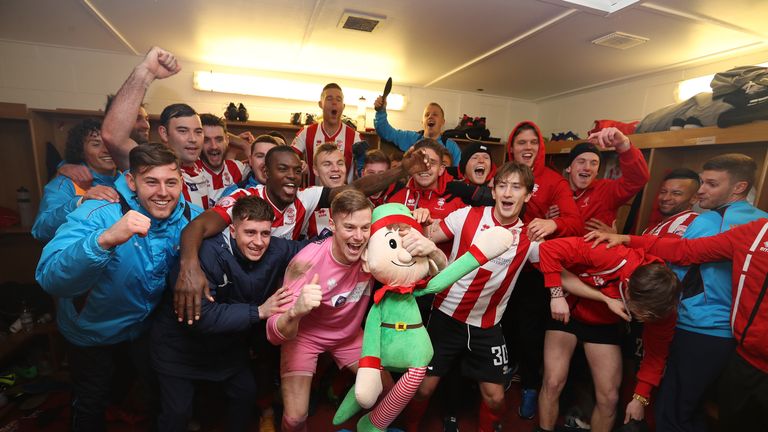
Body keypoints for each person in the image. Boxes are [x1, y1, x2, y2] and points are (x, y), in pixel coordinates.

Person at [35, 143, 202, 431]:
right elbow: (49, 275)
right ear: (131, 182)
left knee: (150, 394)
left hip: (142, 328)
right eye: (151, 181)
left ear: (181, 183)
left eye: (171, 182)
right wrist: (105, 240)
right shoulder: (100, 212)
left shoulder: (191, 217)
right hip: (91, 331)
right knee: (92, 401)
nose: (163, 192)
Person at [173, 146, 430, 324]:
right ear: (266, 172)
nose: (291, 177)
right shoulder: (244, 199)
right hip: (245, 282)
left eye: (297, 171)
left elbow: (354, 189)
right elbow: (198, 227)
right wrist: (189, 267)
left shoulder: (305, 198)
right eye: (283, 169)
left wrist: (402, 170)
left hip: (284, 283)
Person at [267, 189, 442, 432]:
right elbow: (273, 334)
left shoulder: (375, 251)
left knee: (389, 393)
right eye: (349, 227)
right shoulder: (306, 262)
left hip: (349, 335)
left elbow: (437, 274)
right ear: (332, 224)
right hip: (305, 337)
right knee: (296, 418)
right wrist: (295, 311)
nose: (358, 237)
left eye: (364, 228)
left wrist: (426, 241)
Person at [587, 217, 768, 431]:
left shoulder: (662, 310)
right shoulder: (756, 231)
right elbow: (685, 250)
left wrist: (640, 397)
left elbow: (655, 351)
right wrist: (625, 238)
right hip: (747, 360)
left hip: (716, 338)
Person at [151, 196, 315, 432]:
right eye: (250, 232)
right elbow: (201, 316)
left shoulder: (275, 248)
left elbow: (312, 249)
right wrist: (259, 311)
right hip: (179, 350)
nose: (259, 242)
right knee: (178, 413)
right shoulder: (205, 254)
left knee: (245, 394)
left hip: (225, 351)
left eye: (265, 234)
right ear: (233, 230)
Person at [406, 162, 536, 432]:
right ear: (494, 189)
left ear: (528, 195)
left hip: (486, 328)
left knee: (497, 398)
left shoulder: (529, 238)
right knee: (422, 390)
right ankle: (406, 427)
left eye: (516, 187)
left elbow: (560, 264)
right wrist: (417, 219)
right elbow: (427, 236)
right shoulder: (466, 216)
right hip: (445, 318)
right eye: (502, 186)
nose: (508, 193)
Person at [641, 153, 766, 432]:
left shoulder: (708, 222)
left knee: (672, 411)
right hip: (736, 337)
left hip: (697, 327)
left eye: (711, 184)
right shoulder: (762, 223)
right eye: (702, 182)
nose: (701, 190)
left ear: (739, 187)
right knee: (696, 408)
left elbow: (678, 268)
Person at [531, 238, 680, 432]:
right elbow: (547, 249)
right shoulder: (611, 255)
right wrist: (557, 295)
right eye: (639, 313)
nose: (642, 320)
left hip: (603, 324)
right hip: (567, 312)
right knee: (553, 382)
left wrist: (639, 399)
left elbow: (655, 356)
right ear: (628, 289)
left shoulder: (663, 306)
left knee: (610, 397)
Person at [100, 46, 226, 210]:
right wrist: (145, 73)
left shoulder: (203, 164)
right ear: (164, 134)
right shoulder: (149, 162)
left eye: (198, 132)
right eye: (182, 131)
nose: (193, 139)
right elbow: (112, 136)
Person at [32, 119, 119, 243]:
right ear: (81, 151)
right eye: (96, 144)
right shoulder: (65, 183)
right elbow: (41, 230)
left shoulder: (128, 179)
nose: (106, 150)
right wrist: (79, 202)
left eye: (110, 143)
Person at [566, 127, 650, 232]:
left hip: (594, 248)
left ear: (597, 172)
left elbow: (638, 178)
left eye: (594, 163)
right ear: (569, 167)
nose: (587, 167)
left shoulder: (606, 191)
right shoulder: (556, 189)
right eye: (581, 161)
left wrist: (622, 145)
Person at [291, 83, 362, 185]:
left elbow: (364, 168)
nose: (334, 103)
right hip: (313, 199)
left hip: (343, 197)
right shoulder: (306, 132)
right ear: (321, 104)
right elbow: (289, 156)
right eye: (329, 99)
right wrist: (299, 164)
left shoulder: (355, 137)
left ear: (343, 106)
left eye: (338, 99)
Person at [374, 97, 461, 167]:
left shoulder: (451, 146)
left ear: (442, 122)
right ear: (422, 122)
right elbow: (385, 132)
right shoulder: (410, 138)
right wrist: (381, 111)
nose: (430, 116)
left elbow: (458, 172)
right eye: (427, 115)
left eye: (435, 114)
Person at [198, 113, 251, 202]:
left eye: (219, 139)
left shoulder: (237, 168)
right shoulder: (190, 171)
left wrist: (245, 145)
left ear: (227, 140)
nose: (214, 146)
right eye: (206, 140)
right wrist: (241, 142)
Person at [220, 133, 285, 198]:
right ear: (250, 160)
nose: (265, 162)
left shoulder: (288, 191)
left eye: (271, 156)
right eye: (260, 156)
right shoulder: (233, 193)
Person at [641, 168, 700, 237]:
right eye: (663, 192)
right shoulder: (652, 228)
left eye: (676, 193)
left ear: (694, 198)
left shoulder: (693, 224)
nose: (665, 198)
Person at [306, 143, 347, 237]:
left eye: (340, 163)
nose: (336, 169)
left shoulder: (360, 199)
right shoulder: (307, 202)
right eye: (327, 164)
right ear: (315, 170)